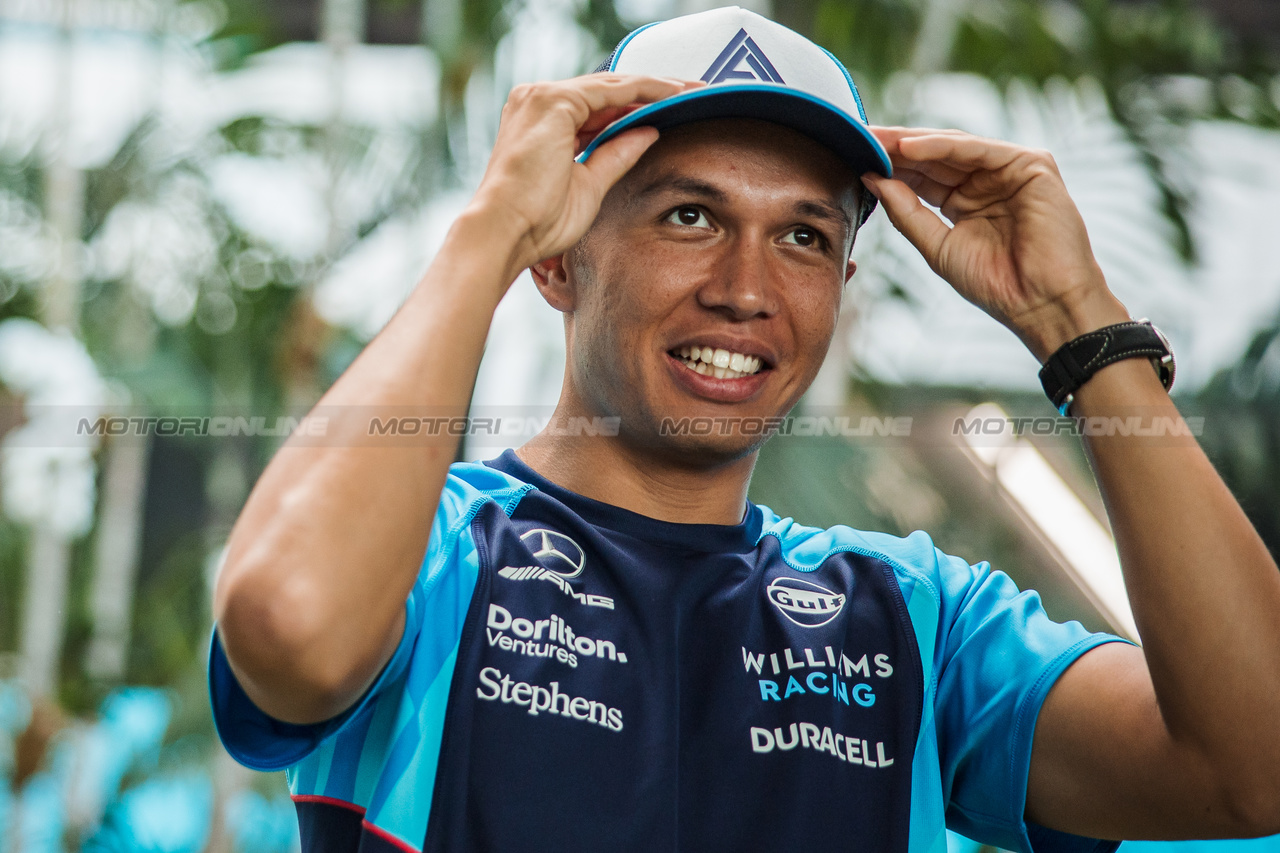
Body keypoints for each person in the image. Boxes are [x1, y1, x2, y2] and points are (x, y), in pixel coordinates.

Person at [207, 6, 1280, 853]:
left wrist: (1076, 328)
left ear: (843, 285)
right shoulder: (432, 559)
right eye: (689, 215)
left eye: (803, 237)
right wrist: (485, 232)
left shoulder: (912, 622)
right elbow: (291, 621)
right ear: (558, 256)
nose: (744, 288)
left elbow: (1250, 764)